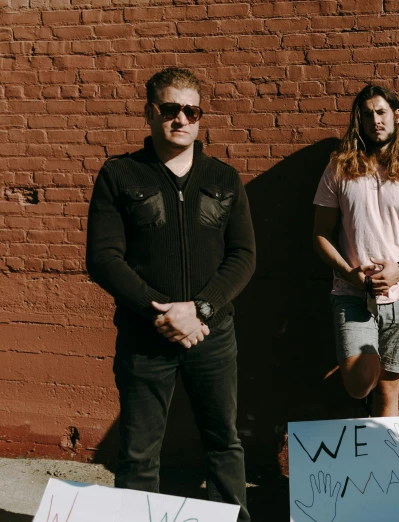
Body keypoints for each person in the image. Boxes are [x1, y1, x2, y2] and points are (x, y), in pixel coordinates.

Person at [86, 67, 254, 521]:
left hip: (211, 336)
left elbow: (243, 256)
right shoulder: (120, 175)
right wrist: (158, 312)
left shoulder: (223, 178)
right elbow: (103, 259)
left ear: (200, 118)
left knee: (224, 443)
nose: (181, 118)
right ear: (150, 112)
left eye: (191, 110)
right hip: (145, 339)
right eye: (171, 109)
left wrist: (199, 310)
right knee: (139, 454)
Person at [312, 85, 399, 417]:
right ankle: (365, 397)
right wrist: (350, 274)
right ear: (359, 121)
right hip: (352, 294)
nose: (375, 120)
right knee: (359, 383)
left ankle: (382, 463)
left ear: (396, 116)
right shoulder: (338, 170)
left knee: (390, 392)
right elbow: (319, 234)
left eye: (382, 112)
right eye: (367, 114)